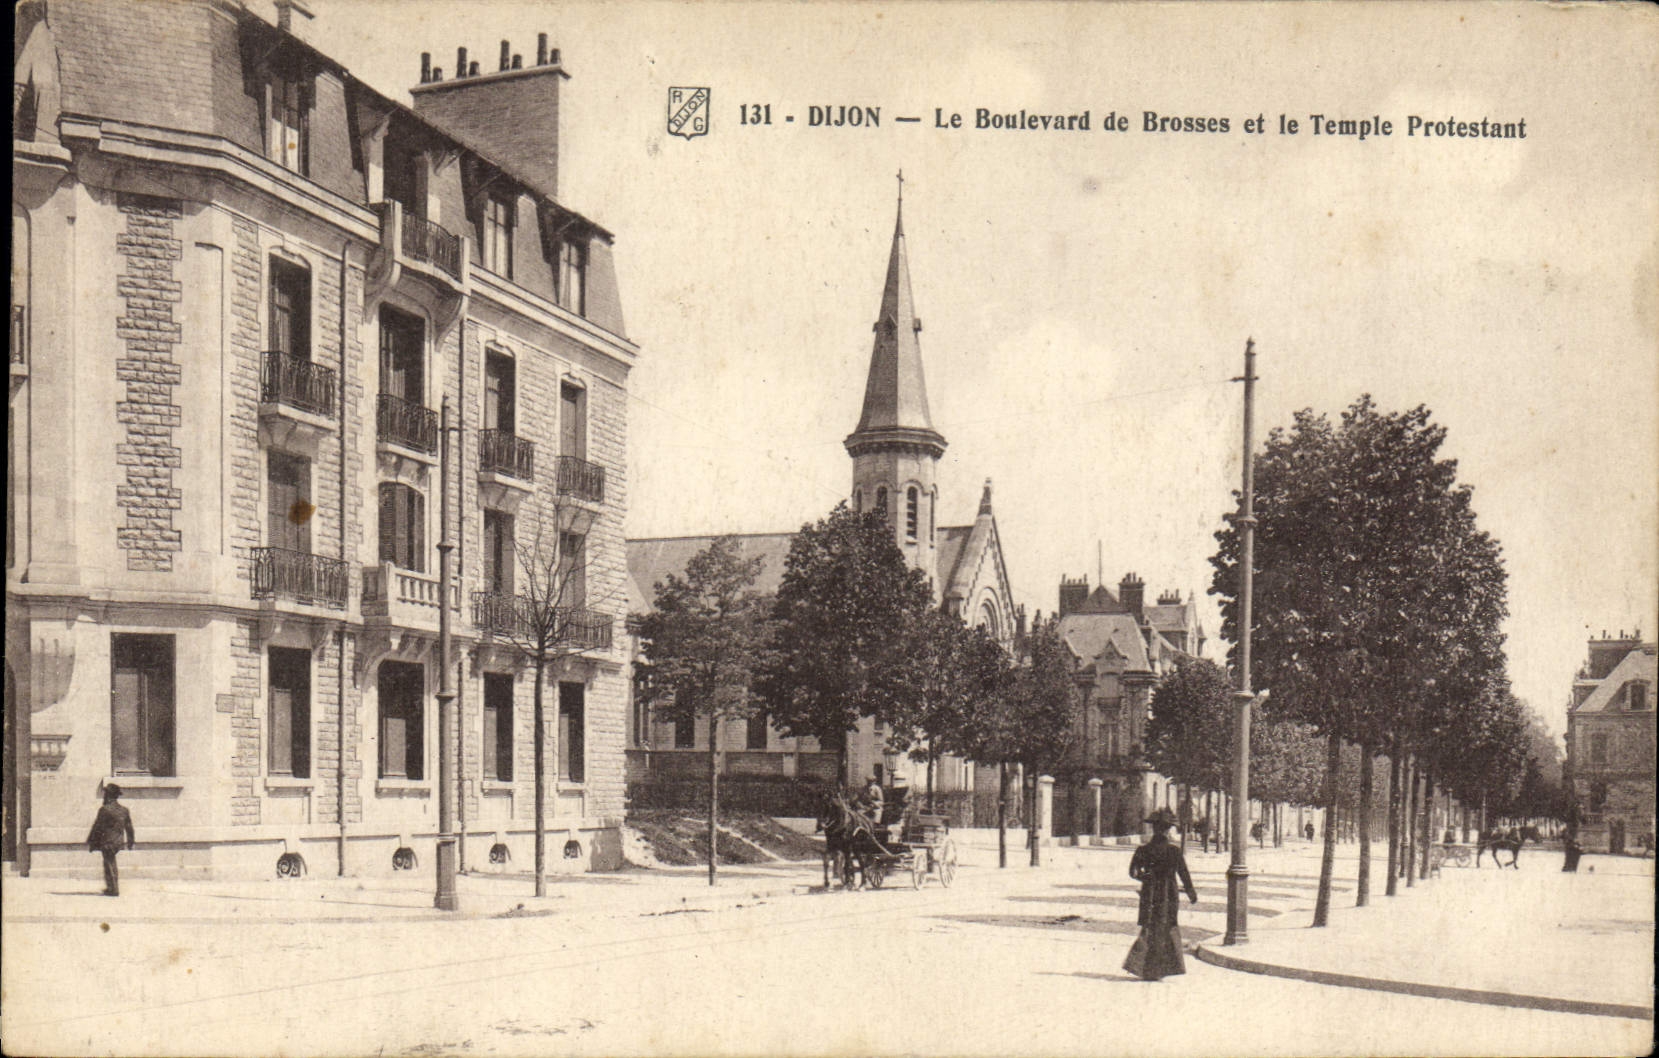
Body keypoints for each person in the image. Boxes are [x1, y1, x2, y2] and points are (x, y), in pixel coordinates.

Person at [1125, 808, 1199, 981]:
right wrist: (1191, 892)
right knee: (1167, 927)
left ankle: (1146, 969)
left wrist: (1146, 877)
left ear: (1153, 829)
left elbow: (1133, 872)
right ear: (1168, 830)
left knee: (1149, 927)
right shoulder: (1174, 851)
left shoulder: (1143, 850)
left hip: (1150, 893)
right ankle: (1164, 969)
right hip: (1169, 893)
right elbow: (1184, 873)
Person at [86, 784, 135, 896]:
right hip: (118, 842)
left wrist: (92, 843)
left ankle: (113, 889)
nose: (104, 797)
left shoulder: (104, 810)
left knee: (109, 863)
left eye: (105, 794)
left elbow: (97, 827)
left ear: (109, 796)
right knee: (111, 862)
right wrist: (130, 842)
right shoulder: (124, 810)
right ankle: (112, 887)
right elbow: (129, 827)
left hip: (108, 842)